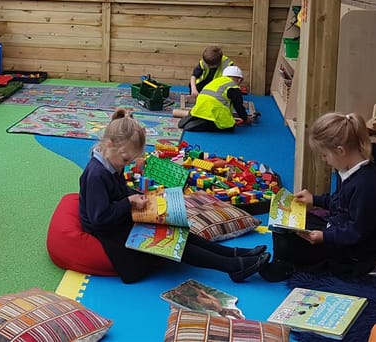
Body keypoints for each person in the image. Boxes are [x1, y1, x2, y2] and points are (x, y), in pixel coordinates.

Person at [79, 108, 269, 284]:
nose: (125, 165)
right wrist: (128, 202)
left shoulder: (112, 162)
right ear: (109, 144)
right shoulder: (97, 174)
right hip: (109, 231)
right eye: (125, 160)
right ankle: (233, 267)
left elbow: (118, 193)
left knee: (178, 229)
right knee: (169, 240)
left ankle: (233, 254)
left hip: (120, 219)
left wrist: (142, 197)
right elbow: (99, 219)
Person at [260, 112, 376, 282]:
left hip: (360, 249)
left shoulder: (367, 185)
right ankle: (285, 258)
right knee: (288, 225)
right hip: (340, 227)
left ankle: (290, 265)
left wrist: (325, 237)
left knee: (293, 243)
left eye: (325, 155)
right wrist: (314, 200)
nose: (324, 160)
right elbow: (340, 203)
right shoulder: (346, 169)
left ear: (340, 151)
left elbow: (358, 232)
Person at [178, 65, 249, 132]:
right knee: (229, 127)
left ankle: (194, 116)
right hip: (213, 111)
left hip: (199, 107)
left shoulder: (216, 81)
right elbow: (239, 107)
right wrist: (246, 119)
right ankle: (206, 124)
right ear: (239, 80)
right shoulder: (233, 87)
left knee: (205, 110)